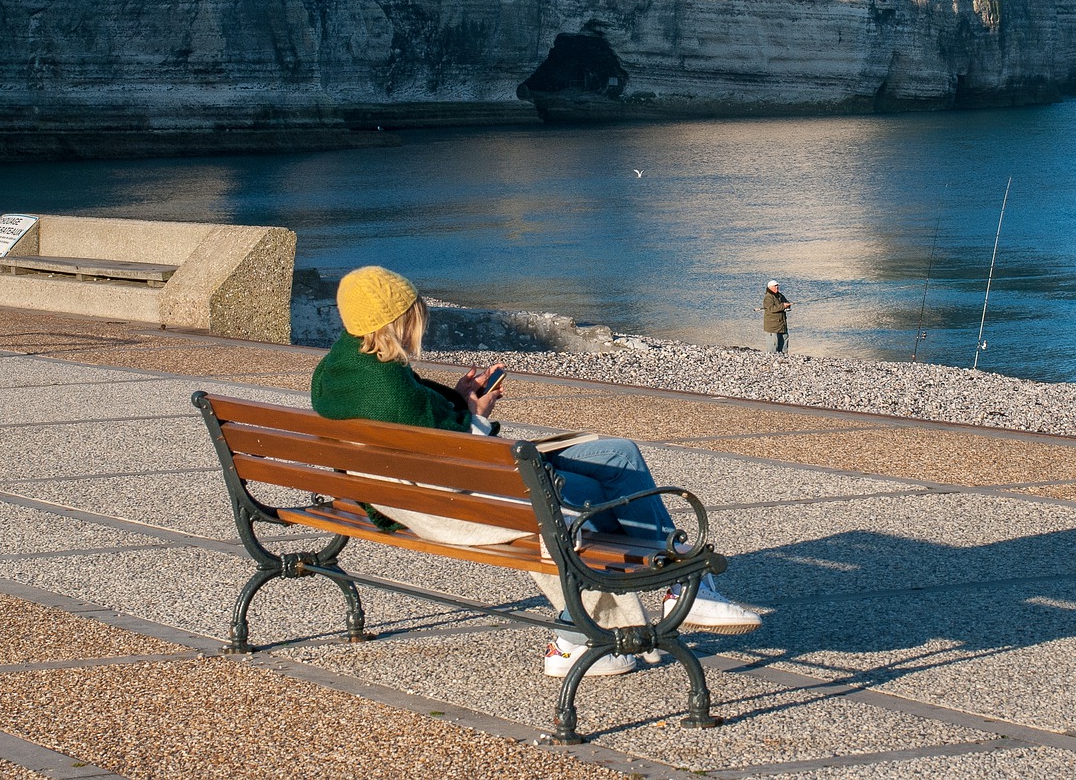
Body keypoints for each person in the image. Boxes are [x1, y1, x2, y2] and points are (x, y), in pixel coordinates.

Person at [311, 266, 761, 678]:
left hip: (422, 488)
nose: (422, 320)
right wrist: (478, 413)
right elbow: (455, 457)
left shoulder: (343, 368)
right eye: (416, 312)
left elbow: (417, 429)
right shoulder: (384, 385)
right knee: (597, 488)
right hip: (460, 496)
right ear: (397, 320)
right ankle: (626, 612)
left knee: (618, 454)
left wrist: (459, 403)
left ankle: (656, 597)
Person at [762, 280, 792, 354]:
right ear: (770, 287)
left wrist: (788, 305)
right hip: (772, 326)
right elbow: (771, 309)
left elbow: (786, 302)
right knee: (773, 344)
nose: (777, 287)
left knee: (784, 340)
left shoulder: (780, 295)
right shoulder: (768, 297)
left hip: (782, 324)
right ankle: (772, 359)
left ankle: (783, 357)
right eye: (775, 286)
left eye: (777, 286)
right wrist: (783, 306)